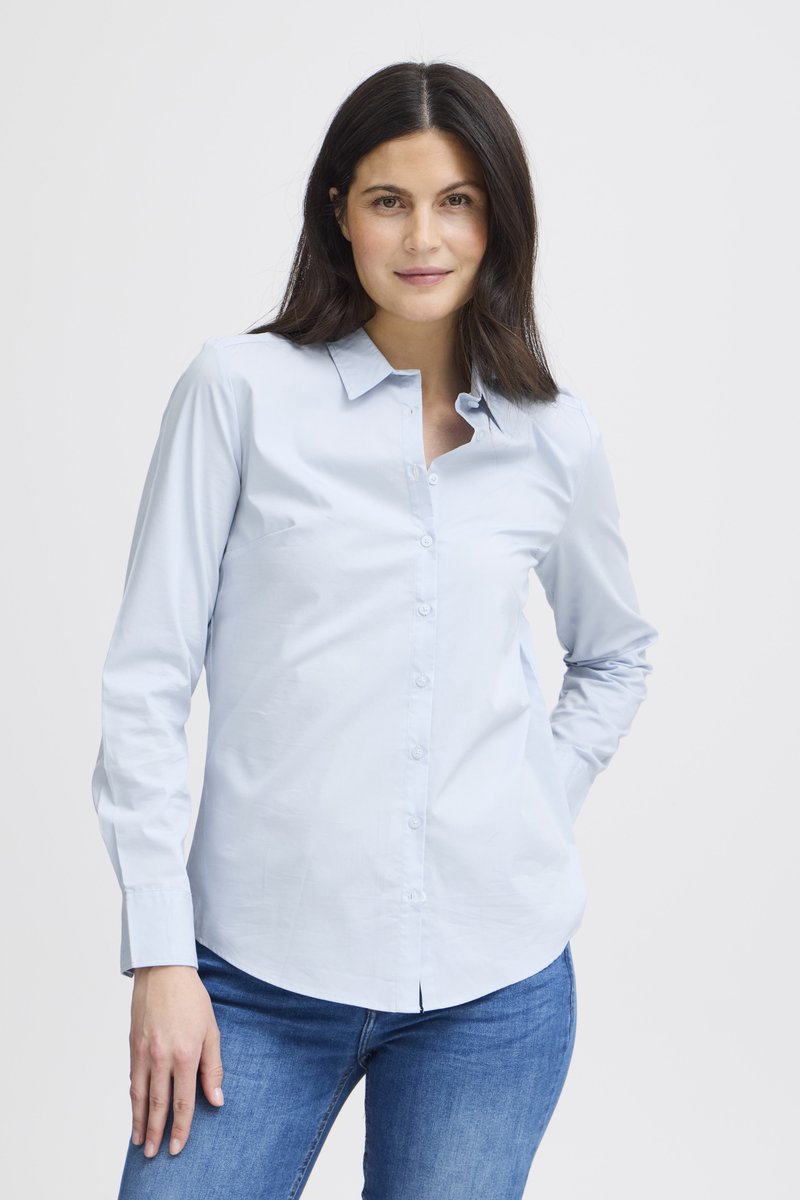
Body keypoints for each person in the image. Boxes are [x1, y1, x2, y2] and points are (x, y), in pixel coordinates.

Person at [91, 60, 658, 1199]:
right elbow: (145, 681)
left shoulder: (553, 437)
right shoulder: (239, 392)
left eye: (457, 201)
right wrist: (159, 953)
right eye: (389, 200)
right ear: (338, 212)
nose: (423, 236)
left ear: (498, 221)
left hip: (494, 991)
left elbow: (615, 653)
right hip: (251, 979)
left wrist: (530, 803)